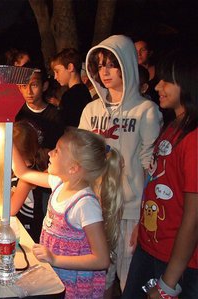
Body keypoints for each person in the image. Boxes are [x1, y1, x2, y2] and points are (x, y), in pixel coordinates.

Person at [79, 34, 163, 296]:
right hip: (95, 209)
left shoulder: (146, 111)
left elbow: (152, 167)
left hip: (130, 210)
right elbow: (81, 158)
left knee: (130, 282)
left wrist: (143, 218)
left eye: (111, 64)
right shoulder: (91, 110)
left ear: (125, 64)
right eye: (100, 65)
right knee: (96, 281)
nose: (104, 72)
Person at [12, 127, 124, 298]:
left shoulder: (85, 204)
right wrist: (6, 134)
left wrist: (55, 259)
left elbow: (101, 259)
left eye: (57, 151)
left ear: (73, 168)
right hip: (56, 275)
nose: (49, 153)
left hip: (75, 286)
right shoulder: (58, 183)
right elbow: (22, 172)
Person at [123, 48, 198, 299]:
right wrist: (143, 226)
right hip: (150, 247)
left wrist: (167, 284)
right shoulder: (174, 125)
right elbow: (158, 178)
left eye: (167, 80)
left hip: (179, 263)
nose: (158, 86)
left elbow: (194, 215)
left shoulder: (194, 137)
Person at [10, 120, 49, 242]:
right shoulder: (13, 171)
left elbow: (11, 209)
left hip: (28, 232)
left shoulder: (27, 177)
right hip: (16, 227)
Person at [15, 67, 64, 151]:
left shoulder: (55, 115)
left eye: (34, 85)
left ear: (44, 86)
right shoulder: (17, 113)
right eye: (24, 86)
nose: (29, 91)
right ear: (19, 88)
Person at [51, 48, 92, 128]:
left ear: (70, 67)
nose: (55, 77)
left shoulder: (69, 96)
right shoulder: (84, 90)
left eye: (57, 71)